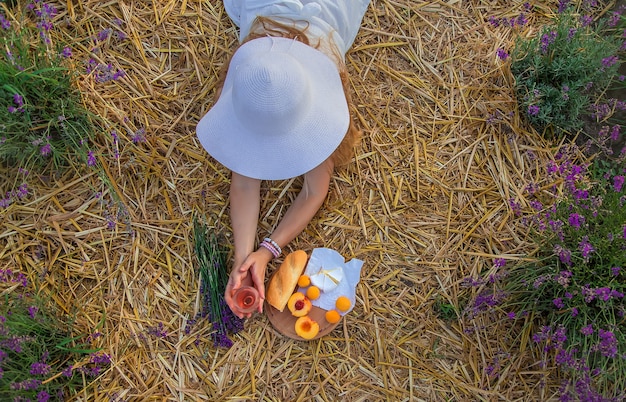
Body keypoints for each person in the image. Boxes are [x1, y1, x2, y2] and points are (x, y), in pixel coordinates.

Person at [196, 1, 371, 319]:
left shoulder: (314, 98)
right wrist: (244, 257)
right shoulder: (256, 81)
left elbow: (314, 190)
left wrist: (267, 251)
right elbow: (246, 184)